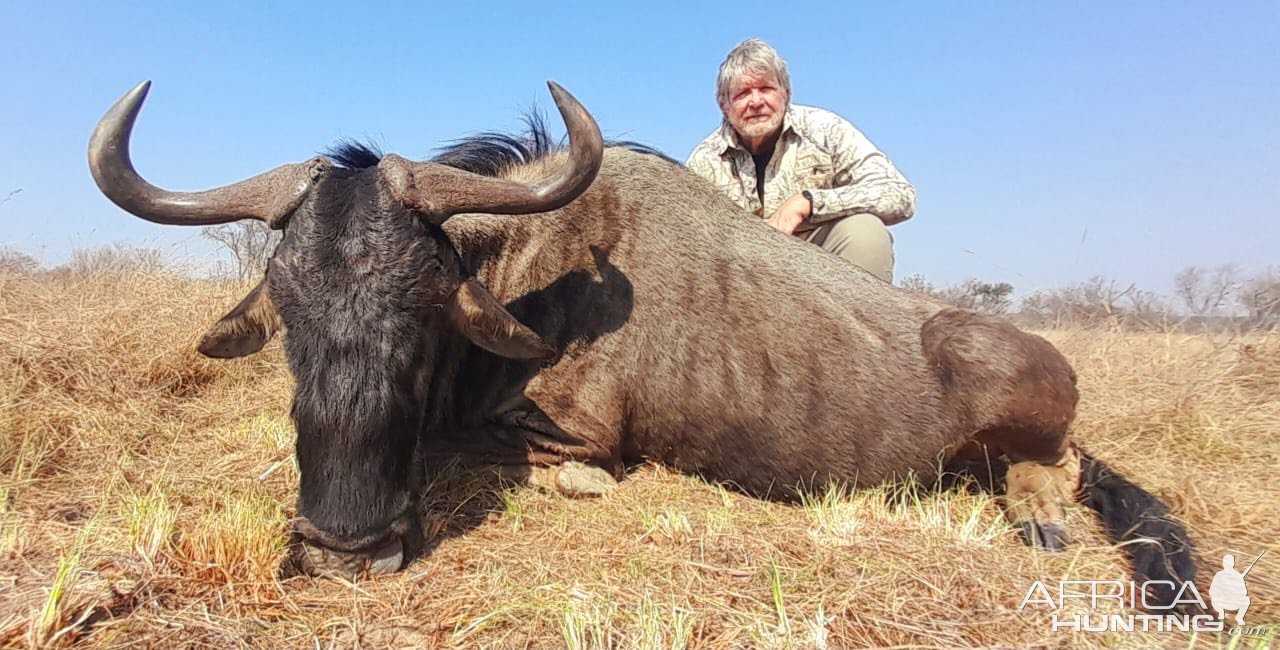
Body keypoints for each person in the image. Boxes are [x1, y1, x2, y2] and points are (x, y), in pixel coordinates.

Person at [686, 39, 916, 283]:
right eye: (742, 93)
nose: (755, 102)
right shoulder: (703, 161)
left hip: (820, 270)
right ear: (724, 106)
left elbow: (898, 193)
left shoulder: (826, 130)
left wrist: (809, 202)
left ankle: (856, 321)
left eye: (766, 89)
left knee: (864, 232)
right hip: (742, 281)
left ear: (786, 93)